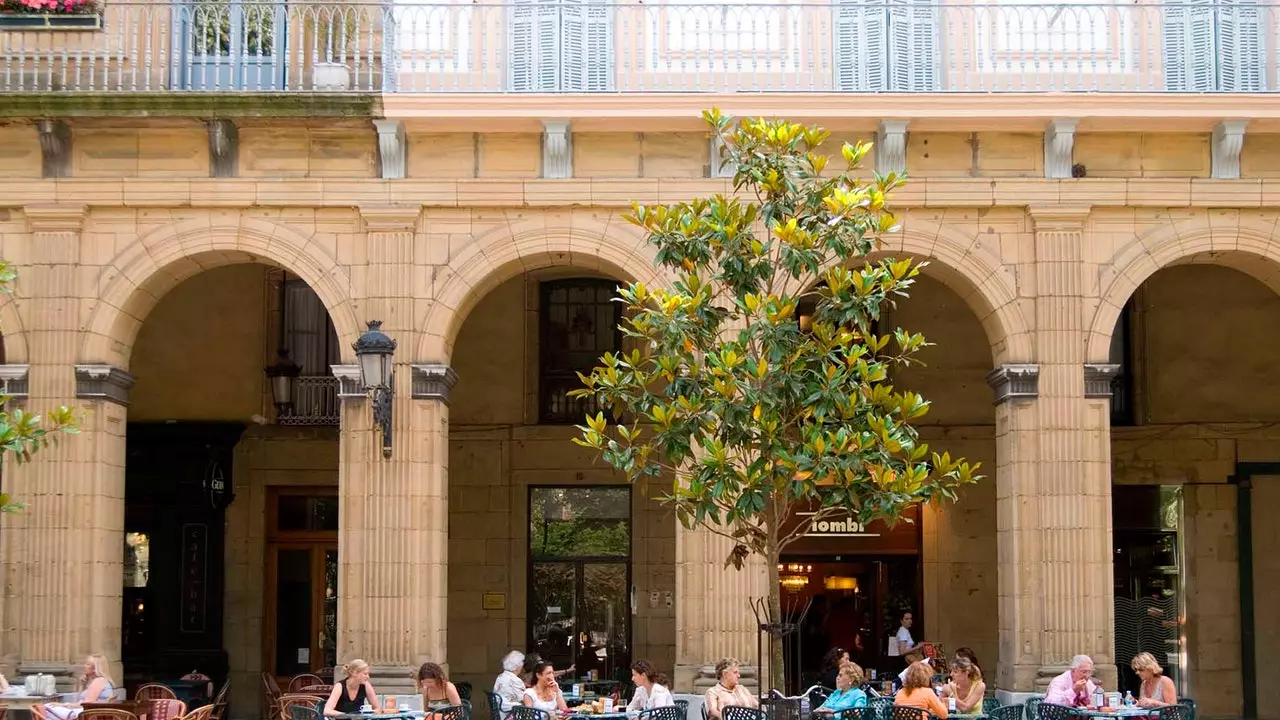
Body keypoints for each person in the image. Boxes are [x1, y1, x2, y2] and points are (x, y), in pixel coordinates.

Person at [43, 654, 115, 720]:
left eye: (87, 664)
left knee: (46, 707)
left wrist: (63, 705)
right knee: (45, 709)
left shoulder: (98, 681)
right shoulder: (97, 681)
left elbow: (86, 704)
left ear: (95, 669)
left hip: (89, 714)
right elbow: (79, 701)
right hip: (86, 712)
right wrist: (82, 685)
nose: (84, 666)